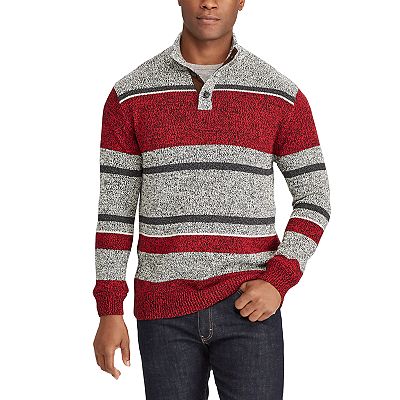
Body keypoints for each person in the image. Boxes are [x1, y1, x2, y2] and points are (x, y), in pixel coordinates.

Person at [93, 0, 331, 399]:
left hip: (250, 305)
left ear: (241, 1)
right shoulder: (130, 95)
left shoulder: (281, 95)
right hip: (163, 310)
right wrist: (109, 307)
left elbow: (315, 196)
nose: (209, 2)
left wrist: (279, 280)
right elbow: (114, 213)